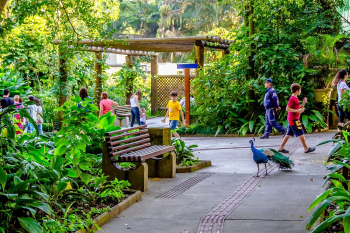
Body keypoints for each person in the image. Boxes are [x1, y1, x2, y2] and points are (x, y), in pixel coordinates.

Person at [278, 83, 315, 153]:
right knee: (301, 133)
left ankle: (281, 148)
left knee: (288, 134)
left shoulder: (296, 98)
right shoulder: (292, 99)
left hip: (292, 119)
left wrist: (303, 103)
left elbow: (297, 107)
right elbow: (287, 109)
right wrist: (298, 110)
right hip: (293, 119)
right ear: (296, 90)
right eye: (300, 90)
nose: (300, 91)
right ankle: (306, 148)